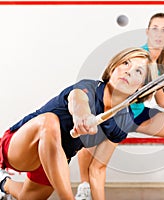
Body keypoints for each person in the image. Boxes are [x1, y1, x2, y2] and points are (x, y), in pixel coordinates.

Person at [75, 13, 164, 200]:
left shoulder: (162, 63)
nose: (159, 34)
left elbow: (162, 101)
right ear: (147, 32)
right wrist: (162, 82)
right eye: (155, 29)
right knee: (88, 143)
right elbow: (133, 81)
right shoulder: (139, 56)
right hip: (118, 112)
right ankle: (85, 186)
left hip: (138, 114)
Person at [0, 47, 154, 200]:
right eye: (126, 63)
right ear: (114, 67)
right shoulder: (89, 87)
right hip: (21, 146)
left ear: (142, 86)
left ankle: (3, 183)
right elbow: (77, 99)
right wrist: (82, 116)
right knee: (49, 121)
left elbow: (98, 169)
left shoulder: (121, 124)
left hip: (55, 160)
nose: (129, 71)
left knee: (25, 197)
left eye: (138, 71)